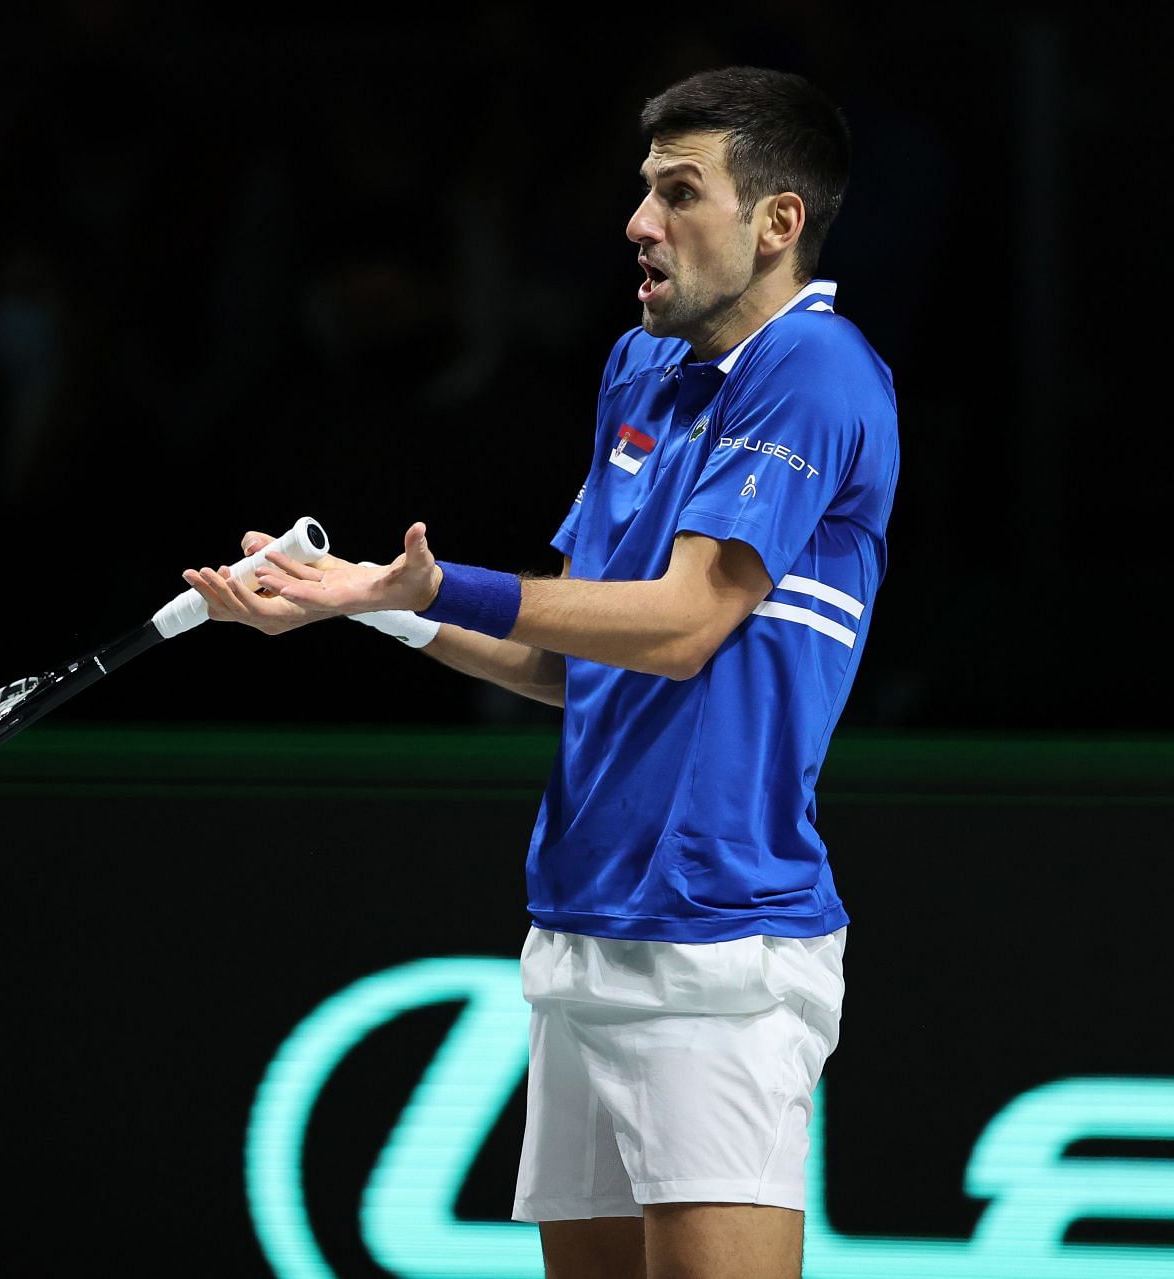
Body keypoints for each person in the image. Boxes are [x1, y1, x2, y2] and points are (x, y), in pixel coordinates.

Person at [184, 65, 898, 1279]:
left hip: (714, 943)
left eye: (681, 193)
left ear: (778, 221)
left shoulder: (817, 372)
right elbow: (570, 665)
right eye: (643, 190)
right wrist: (367, 602)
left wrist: (436, 583)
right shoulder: (639, 371)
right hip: (578, 928)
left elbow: (681, 627)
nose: (639, 223)